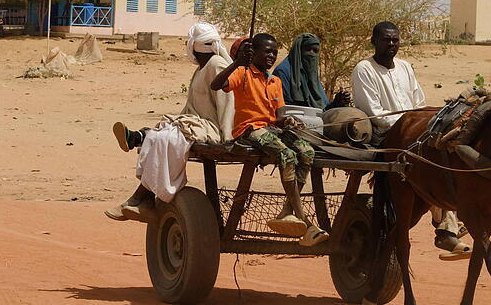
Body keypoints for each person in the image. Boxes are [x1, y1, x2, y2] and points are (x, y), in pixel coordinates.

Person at [351, 21, 471, 261]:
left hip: (415, 132)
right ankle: (446, 224)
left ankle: (448, 224)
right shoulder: (364, 69)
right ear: (374, 41)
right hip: (386, 135)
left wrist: (422, 125)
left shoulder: (405, 67)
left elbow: (418, 102)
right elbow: (375, 113)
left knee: (445, 152)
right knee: (428, 163)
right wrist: (411, 126)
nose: (392, 44)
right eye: (386, 39)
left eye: (396, 40)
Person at [105, 23, 234, 222]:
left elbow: (228, 103)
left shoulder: (216, 64)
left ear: (192, 46)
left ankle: (140, 196)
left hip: (212, 127)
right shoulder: (201, 69)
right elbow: (192, 106)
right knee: (159, 135)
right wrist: (178, 122)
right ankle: (144, 196)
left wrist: (227, 137)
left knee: (168, 139)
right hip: (196, 123)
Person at [211, 33, 329, 247]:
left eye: (274, 52)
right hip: (249, 130)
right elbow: (216, 85)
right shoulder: (242, 73)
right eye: (267, 51)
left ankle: (288, 210)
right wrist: (237, 63)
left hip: (271, 129)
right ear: (253, 52)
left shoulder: (275, 81)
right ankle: (303, 219)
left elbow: (279, 115)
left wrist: (289, 121)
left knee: (307, 151)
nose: (271, 56)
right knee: (286, 155)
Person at [273, 33, 350, 110]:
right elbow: (286, 108)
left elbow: (323, 108)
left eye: (315, 51)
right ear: (299, 51)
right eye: (308, 49)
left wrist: (338, 101)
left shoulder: (312, 75)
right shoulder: (283, 72)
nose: (311, 54)